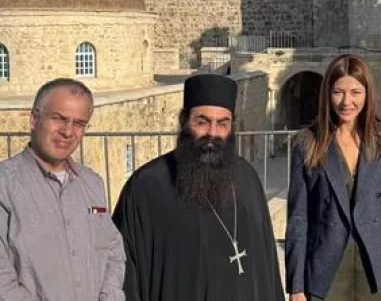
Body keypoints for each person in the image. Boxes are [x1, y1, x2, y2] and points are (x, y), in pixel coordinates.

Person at [112, 73, 283, 301]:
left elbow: (267, 266)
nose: (212, 133)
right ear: (184, 121)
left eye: (222, 123)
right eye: (202, 122)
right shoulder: (147, 186)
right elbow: (124, 275)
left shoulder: (247, 178)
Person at [285, 54, 381, 301]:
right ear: (327, 94)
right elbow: (298, 220)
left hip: (378, 270)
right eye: (338, 92)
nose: (347, 102)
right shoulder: (307, 143)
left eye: (355, 92)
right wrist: (296, 287)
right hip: (325, 272)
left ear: (367, 94)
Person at [0, 78, 125, 300]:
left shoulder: (92, 183)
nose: (68, 132)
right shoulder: (5, 185)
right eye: (58, 118)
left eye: (79, 123)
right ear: (34, 119)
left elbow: (112, 251)